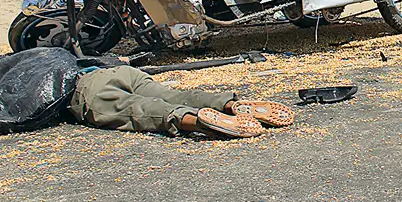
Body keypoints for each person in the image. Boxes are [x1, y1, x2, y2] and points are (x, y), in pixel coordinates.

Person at [70, 64, 294, 138]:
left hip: (84, 89)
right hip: (118, 71)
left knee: (142, 110)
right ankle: (230, 105)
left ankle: (197, 121)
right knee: (172, 95)